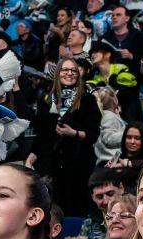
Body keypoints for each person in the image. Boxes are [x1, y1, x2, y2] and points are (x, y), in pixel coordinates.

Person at [26, 58, 101, 216]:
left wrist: (73, 133)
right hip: (52, 163)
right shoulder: (46, 100)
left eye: (73, 70)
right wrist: (31, 158)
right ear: (58, 74)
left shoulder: (87, 99)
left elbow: (93, 134)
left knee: (77, 207)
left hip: (78, 162)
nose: (69, 73)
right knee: (54, 207)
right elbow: (41, 136)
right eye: (65, 70)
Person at [93, 87, 126, 165]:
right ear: (114, 100)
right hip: (110, 161)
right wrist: (126, 134)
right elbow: (109, 138)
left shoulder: (105, 115)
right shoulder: (109, 117)